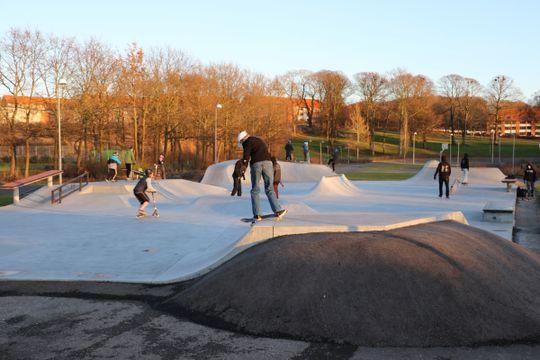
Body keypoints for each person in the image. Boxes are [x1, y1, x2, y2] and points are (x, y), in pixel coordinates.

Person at [238, 130, 286, 221]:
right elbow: (267, 152)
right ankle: (278, 210)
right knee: (269, 188)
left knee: (255, 190)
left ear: (242, 139)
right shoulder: (259, 140)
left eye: (241, 142)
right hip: (268, 163)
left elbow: (246, 156)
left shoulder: (247, 142)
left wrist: (243, 167)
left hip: (257, 164)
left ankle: (257, 215)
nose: (242, 144)